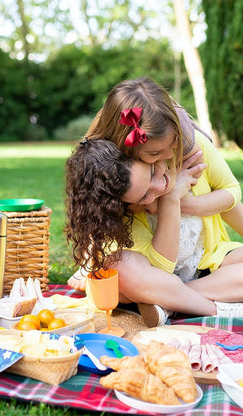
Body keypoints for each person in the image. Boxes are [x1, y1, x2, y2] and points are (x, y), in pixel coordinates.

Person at [67, 77, 243, 325]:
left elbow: (232, 193)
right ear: (125, 150)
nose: (170, 155)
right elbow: (158, 270)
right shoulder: (121, 182)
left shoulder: (189, 149)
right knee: (121, 269)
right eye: (153, 156)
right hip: (152, 271)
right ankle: (213, 308)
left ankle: (169, 302)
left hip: (204, 263)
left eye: (173, 145)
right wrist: (169, 198)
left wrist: (183, 203)